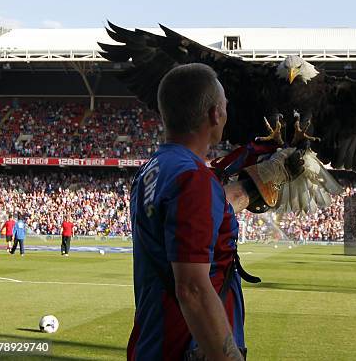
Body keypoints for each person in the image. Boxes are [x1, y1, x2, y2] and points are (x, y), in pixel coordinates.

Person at [127, 64, 303, 361]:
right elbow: (193, 289)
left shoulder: (155, 169)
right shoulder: (192, 178)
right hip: (185, 347)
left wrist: (248, 190)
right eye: (225, 104)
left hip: (153, 340)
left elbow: (199, 218)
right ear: (215, 114)